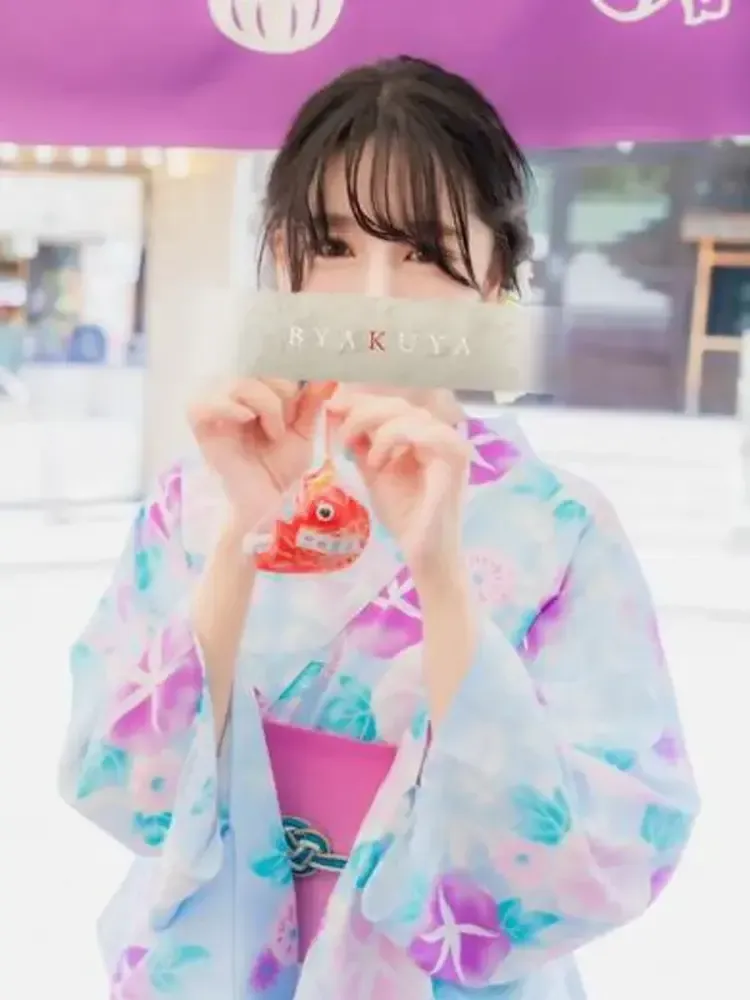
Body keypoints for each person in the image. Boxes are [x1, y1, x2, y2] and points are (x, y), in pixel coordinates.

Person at [59, 56, 699, 1000]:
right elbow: (114, 779)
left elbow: (613, 848)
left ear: (497, 274)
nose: (375, 296)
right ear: (283, 260)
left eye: (425, 254)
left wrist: (442, 578)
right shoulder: (200, 493)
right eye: (331, 245)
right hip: (223, 962)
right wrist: (242, 538)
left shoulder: (560, 530)